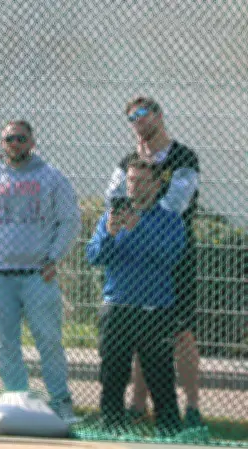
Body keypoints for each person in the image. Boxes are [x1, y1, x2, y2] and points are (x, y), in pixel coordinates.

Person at [0, 120, 81, 423]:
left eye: (21, 138)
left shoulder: (51, 177)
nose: (15, 144)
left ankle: (61, 402)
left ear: (32, 141)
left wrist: (54, 257)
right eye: (9, 139)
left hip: (38, 275)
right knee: (6, 342)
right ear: (2, 144)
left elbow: (70, 220)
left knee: (48, 338)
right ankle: (18, 402)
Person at [105, 96, 202, 427]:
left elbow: (174, 203)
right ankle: (136, 404)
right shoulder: (129, 161)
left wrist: (140, 212)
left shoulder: (183, 157)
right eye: (131, 116)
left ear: (159, 116)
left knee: (182, 333)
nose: (137, 121)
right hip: (133, 257)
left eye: (143, 114)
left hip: (173, 255)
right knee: (137, 327)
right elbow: (114, 198)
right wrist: (131, 209)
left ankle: (191, 406)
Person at [88, 157, 186, 434]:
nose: (134, 186)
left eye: (141, 181)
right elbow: (94, 257)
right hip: (116, 307)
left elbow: (169, 258)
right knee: (112, 375)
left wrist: (138, 229)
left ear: (157, 186)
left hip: (153, 310)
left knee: (160, 376)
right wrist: (109, 233)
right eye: (130, 180)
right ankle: (111, 428)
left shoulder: (170, 221)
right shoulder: (110, 217)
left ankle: (169, 431)